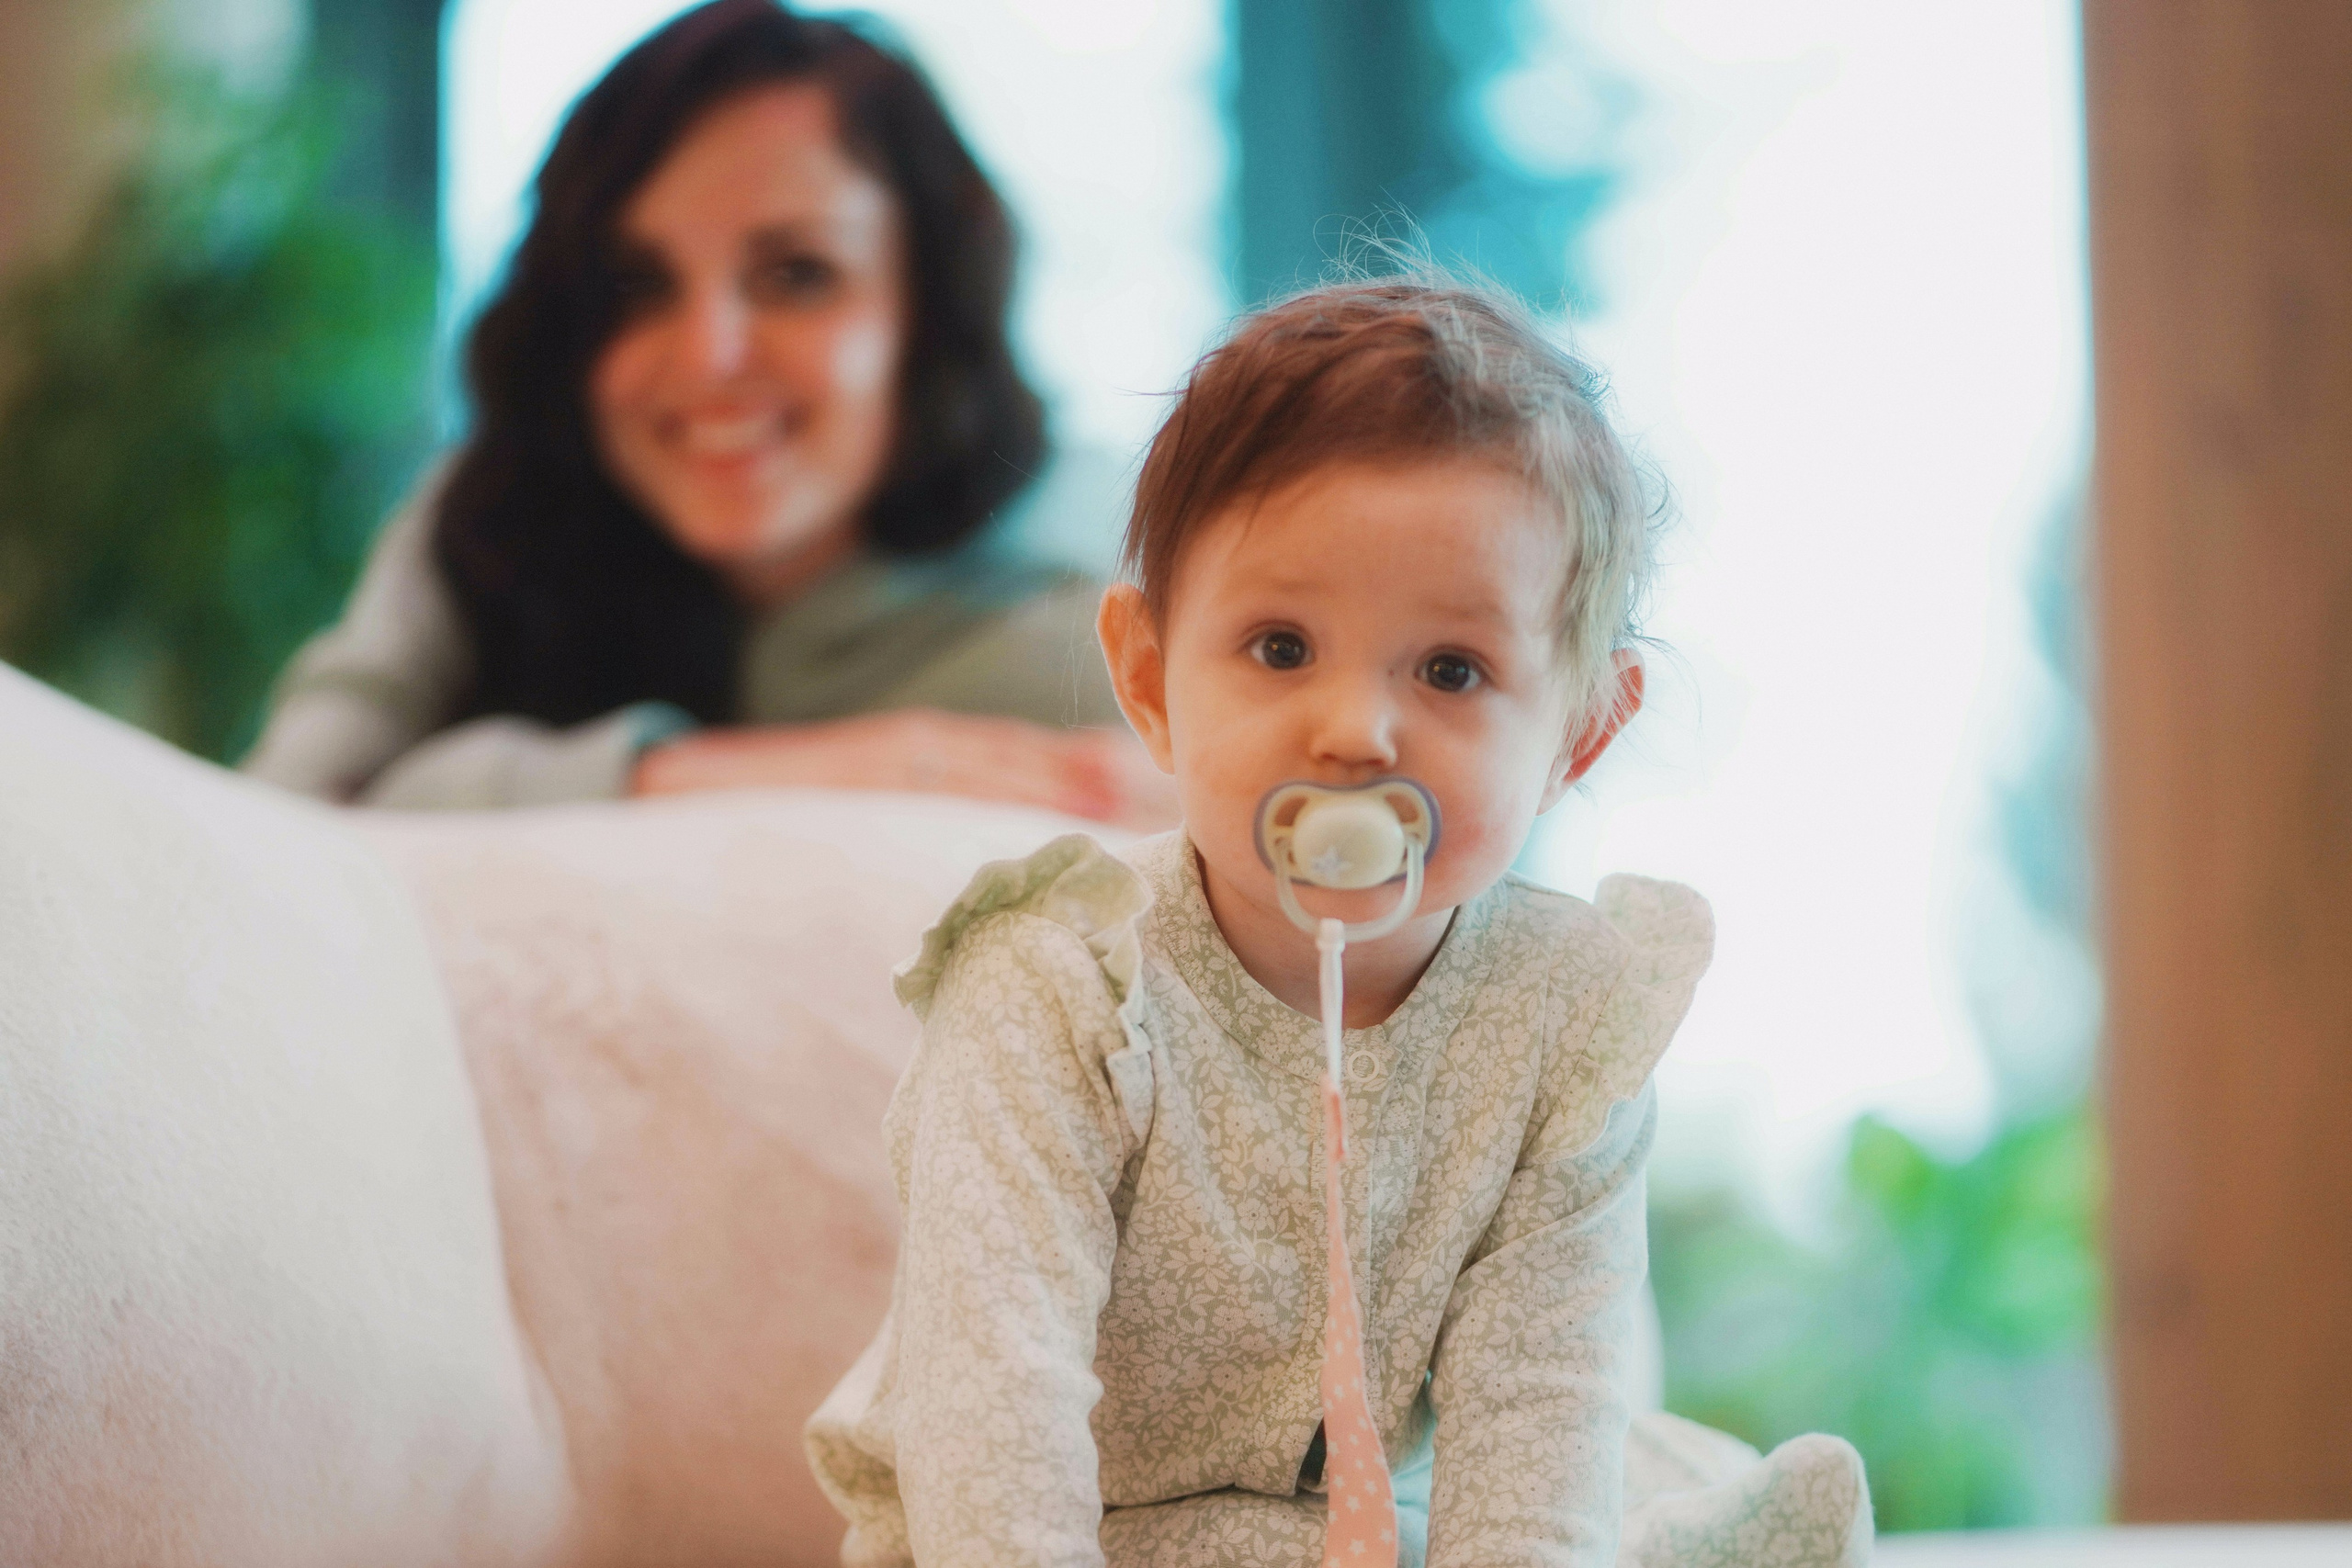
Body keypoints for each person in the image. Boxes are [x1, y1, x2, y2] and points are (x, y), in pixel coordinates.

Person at [803, 277, 1872, 1567]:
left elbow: (1536, 1414)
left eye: (1450, 670)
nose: (1356, 732)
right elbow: (995, 1401)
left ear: (1578, 735)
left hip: (1369, 1516)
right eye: (1280, 648)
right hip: (1079, 1522)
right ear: (1149, 677)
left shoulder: (1568, 1026)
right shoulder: (1059, 980)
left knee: (1622, 1468)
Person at [242, 0, 1165, 826]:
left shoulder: (1112, 597)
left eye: (796, 274)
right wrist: (689, 775)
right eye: (638, 284)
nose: (707, 357)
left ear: (927, 313)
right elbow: (284, 819)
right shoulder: (492, 518)